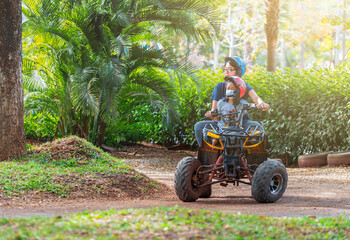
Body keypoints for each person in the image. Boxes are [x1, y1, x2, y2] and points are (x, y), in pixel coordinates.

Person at [194, 56, 270, 147]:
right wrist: (213, 115)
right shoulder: (219, 87)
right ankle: (208, 154)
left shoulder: (244, 86)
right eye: (225, 69)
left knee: (257, 126)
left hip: (242, 122)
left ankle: (249, 154)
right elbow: (214, 109)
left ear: (238, 72)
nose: (226, 71)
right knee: (199, 126)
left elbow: (256, 98)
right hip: (222, 122)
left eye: (230, 69)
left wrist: (261, 103)